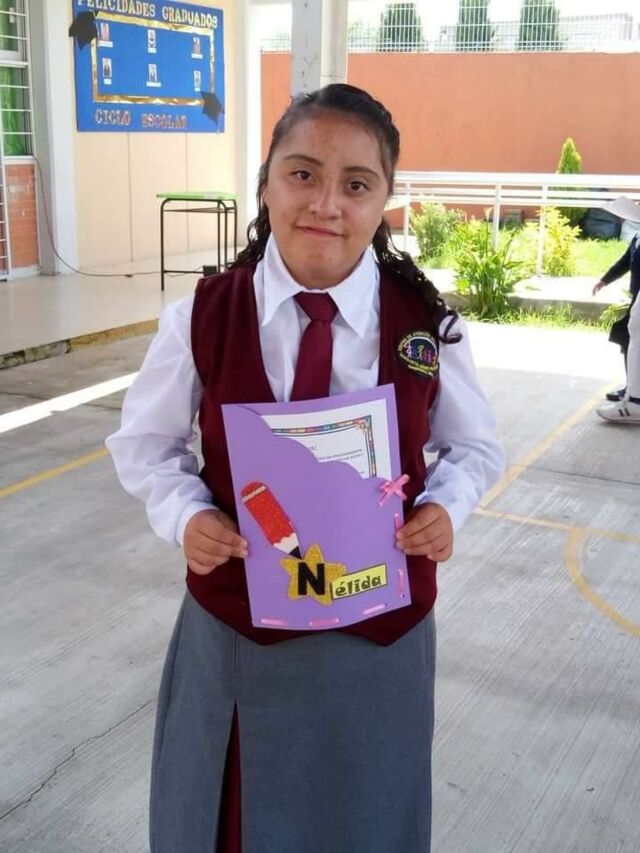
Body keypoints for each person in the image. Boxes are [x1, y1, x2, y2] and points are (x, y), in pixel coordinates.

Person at [106, 83, 505, 853]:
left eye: (357, 184)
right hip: (240, 636)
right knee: (230, 820)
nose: (326, 203)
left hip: (378, 635)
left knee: (366, 819)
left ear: (385, 202)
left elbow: (475, 446)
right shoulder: (202, 316)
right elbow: (145, 444)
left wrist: (447, 507)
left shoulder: (428, 326)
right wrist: (186, 515)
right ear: (265, 184)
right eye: (302, 174)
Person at [593, 196, 640, 424]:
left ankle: (635, 398)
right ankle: (633, 390)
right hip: (636, 296)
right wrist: (605, 280)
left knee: (633, 334)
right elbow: (624, 262)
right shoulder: (638, 236)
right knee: (628, 335)